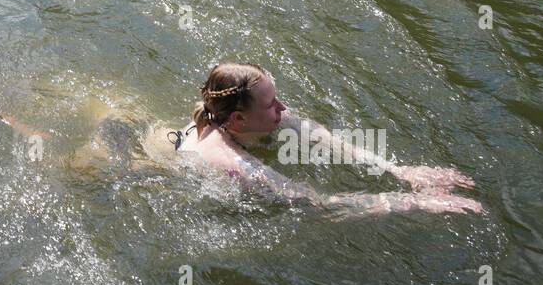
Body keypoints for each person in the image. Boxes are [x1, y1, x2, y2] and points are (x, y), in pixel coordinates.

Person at [167, 62, 484, 215]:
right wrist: (416, 202)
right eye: (271, 104)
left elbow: (327, 139)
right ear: (239, 119)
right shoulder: (232, 162)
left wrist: (403, 172)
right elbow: (316, 204)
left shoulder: (253, 117)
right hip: (160, 161)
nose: (283, 108)